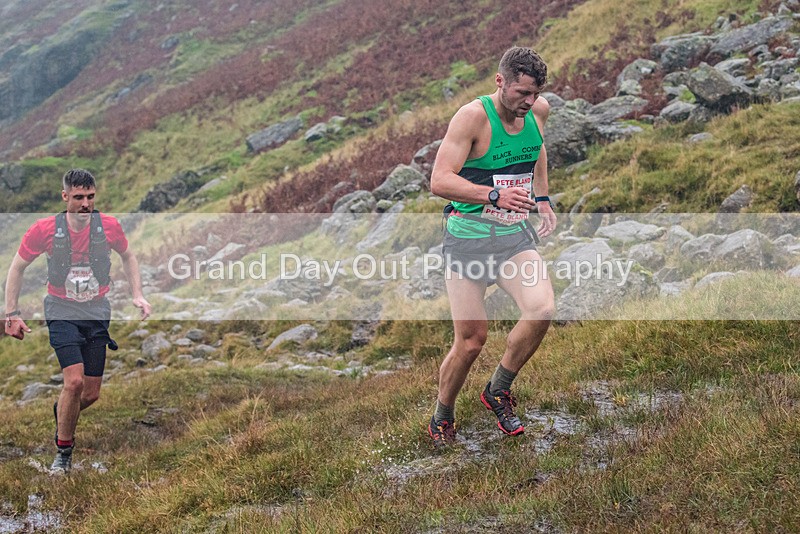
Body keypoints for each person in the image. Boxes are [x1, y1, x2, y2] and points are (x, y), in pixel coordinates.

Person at [428, 46, 556, 446]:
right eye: (522, 93)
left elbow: (536, 148)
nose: (529, 102)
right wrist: (493, 195)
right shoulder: (472, 117)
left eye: (535, 93)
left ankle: (498, 390)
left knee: (541, 309)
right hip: (469, 240)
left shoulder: (538, 111)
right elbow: (439, 180)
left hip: (512, 237)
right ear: (500, 81)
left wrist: (542, 197)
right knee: (471, 342)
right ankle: (442, 417)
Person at [4, 169, 151, 473]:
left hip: (96, 311)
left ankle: (64, 412)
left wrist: (138, 294)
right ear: (65, 197)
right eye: (79, 197)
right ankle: (63, 454)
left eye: (90, 197)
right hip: (61, 310)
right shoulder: (43, 229)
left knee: (90, 394)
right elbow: (17, 268)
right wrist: (12, 313)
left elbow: (129, 256)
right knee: (74, 382)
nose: (86, 204)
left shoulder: (109, 226)